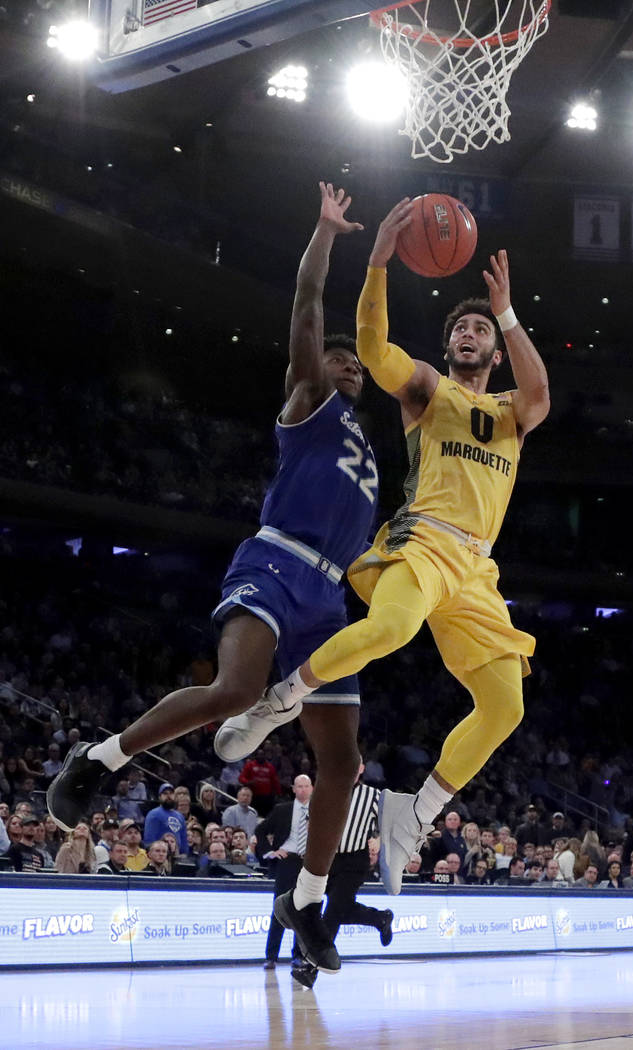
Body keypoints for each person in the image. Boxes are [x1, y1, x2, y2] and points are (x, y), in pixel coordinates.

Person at [47, 182, 369, 974]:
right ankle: (102, 758)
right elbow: (307, 302)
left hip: (331, 597)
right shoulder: (308, 403)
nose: (351, 364)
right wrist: (326, 234)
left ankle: (307, 903)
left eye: (358, 362)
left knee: (345, 764)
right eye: (341, 356)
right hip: (278, 561)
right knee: (233, 690)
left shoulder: (366, 453)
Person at [250, 198, 550, 896]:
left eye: (480, 328)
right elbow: (374, 346)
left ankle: (413, 817)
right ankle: (283, 697)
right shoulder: (428, 389)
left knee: (506, 706)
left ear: (495, 347)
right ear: (450, 348)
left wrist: (507, 311)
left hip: (475, 569)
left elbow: (539, 393)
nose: (470, 334)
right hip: (422, 542)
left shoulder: (510, 412)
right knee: (389, 628)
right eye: (463, 327)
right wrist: (380, 259)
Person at [291, 764, 393, 989]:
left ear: (361, 769)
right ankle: (380, 918)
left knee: (334, 911)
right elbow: (309, 821)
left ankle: (312, 967)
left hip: (355, 861)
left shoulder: (373, 795)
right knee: (336, 909)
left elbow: (385, 826)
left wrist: (377, 838)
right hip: (327, 858)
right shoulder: (326, 790)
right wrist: (305, 853)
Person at [255, 775, 313, 972]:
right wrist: (271, 851)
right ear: (293, 789)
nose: (303, 790)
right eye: (300, 786)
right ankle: (271, 956)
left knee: (303, 910)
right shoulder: (282, 810)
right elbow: (260, 830)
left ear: (312, 788)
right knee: (279, 909)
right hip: (287, 860)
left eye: (306, 786)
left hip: (309, 863)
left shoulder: (320, 810)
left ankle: (298, 956)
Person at [143, 783, 187, 854]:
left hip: (177, 855)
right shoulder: (154, 814)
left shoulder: (180, 816)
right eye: (165, 794)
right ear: (160, 797)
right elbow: (149, 840)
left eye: (171, 793)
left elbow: (184, 839)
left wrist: (185, 854)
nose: (168, 796)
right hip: (160, 854)